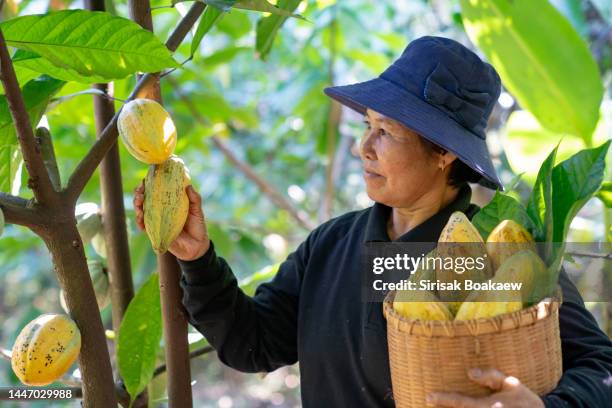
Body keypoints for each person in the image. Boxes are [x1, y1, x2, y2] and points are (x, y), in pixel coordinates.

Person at [133, 36, 612, 407]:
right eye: (367, 126)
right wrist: (198, 259)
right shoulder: (332, 244)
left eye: (386, 132)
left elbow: (602, 367)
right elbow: (252, 344)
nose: (364, 148)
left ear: (443, 152)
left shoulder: (501, 252)